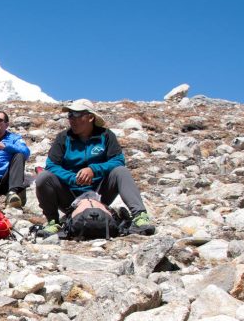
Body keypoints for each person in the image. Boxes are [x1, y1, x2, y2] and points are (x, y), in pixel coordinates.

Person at [35, 99, 155, 236]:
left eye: (76, 114)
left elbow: (118, 161)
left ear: (91, 117)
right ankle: (53, 222)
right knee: (43, 177)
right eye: (70, 115)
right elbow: (51, 165)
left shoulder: (106, 136)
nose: (71, 119)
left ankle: (140, 216)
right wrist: (73, 178)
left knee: (121, 172)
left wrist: (94, 170)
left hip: (100, 192)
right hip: (70, 195)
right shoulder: (63, 138)